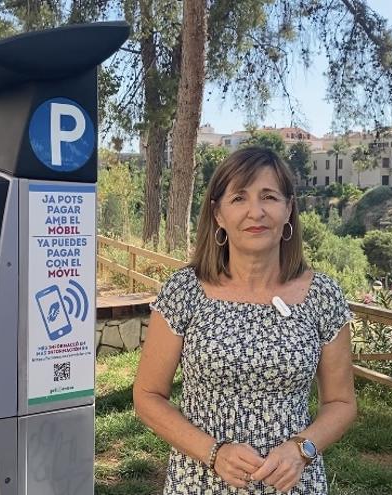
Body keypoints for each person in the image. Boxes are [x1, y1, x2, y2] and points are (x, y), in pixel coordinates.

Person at [133, 147, 357, 494]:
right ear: (218, 214)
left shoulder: (322, 295)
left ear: (288, 209)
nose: (256, 211)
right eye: (239, 198)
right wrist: (214, 453)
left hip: (292, 485)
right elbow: (147, 395)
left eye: (269, 197)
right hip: (200, 482)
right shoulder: (185, 290)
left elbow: (341, 404)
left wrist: (303, 449)